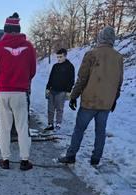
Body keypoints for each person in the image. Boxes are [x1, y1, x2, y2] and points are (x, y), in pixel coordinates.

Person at [58, 26, 123, 166]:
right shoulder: (118, 58)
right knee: (100, 132)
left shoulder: (91, 54)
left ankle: (71, 155)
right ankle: (95, 159)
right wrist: (114, 100)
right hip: (106, 103)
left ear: (100, 38)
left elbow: (82, 78)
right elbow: (119, 82)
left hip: (90, 101)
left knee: (79, 129)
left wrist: (74, 96)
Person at [0, 12, 37, 170]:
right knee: (22, 127)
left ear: (6, 29)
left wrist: (2, 81)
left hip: (4, 92)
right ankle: (24, 161)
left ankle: (5, 160)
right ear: (18, 29)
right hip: (21, 93)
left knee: (4, 127)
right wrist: (23, 80)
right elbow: (32, 70)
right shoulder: (29, 47)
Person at [44, 48, 75, 131]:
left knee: (59, 108)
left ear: (65, 56)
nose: (58, 59)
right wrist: (47, 88)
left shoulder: (70, 66)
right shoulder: (55, 66)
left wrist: (68, 91)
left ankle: (58, 124)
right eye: (57, 57)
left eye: (60, 57)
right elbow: (50, 78)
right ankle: (50, 124)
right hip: (52, 90)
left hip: (62, 91)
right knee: (50, 108)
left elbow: (71, 80)